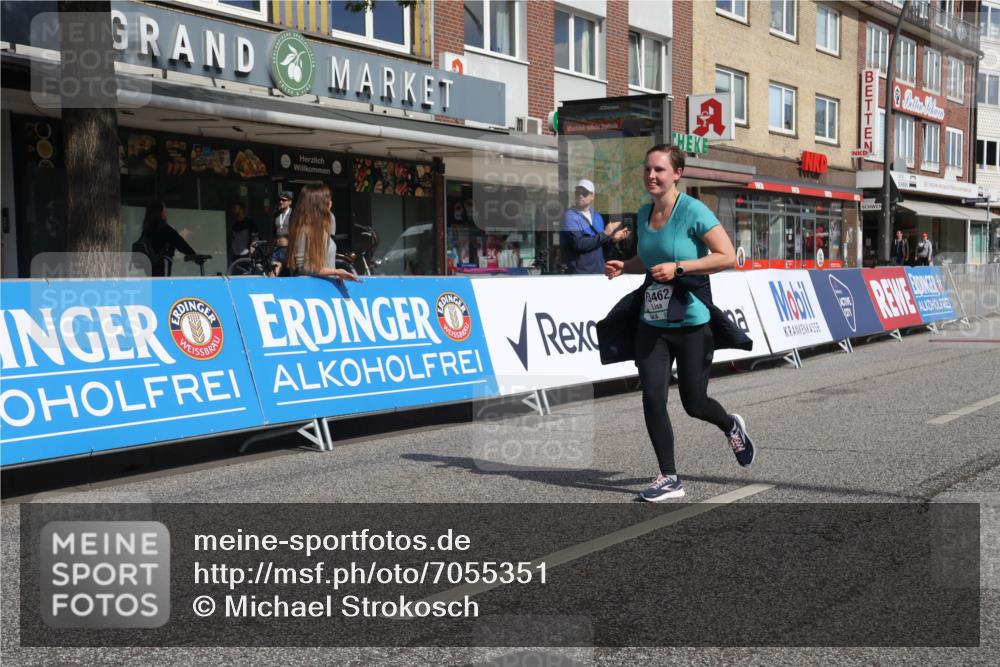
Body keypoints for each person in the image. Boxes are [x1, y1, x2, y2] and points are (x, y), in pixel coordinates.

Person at [604, 144, 756, 502]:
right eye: (647, 170)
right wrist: (626, 266)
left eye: (659, 170)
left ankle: (730, 425)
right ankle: (669, 477)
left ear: (677, 173)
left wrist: (681, 268)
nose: (651, 176)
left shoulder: (693, 211)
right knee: (652, 396)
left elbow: (727, 256)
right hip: (653, 322)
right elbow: (651, 257)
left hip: (691, 321)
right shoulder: (643, 214)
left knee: (694, 402)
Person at [286, 182, 359, 281]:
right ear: (319, 203)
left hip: (326, 290)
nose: (330, 202)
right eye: (327, 199)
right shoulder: (304, 230)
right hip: (311, 292)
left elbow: (325, 265)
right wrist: (336, 272)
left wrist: (336, 276)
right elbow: (303, 267)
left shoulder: (322, 228)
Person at [560, 178, 629, 274]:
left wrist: (613, 239)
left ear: (592, 196)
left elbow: (600, 244)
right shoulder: (570, 216)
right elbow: (579, 244)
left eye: (584, 193)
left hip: (598, 272)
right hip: (580, 274)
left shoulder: (597, 216)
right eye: (577, 193)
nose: (580, 196)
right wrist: (605, 234)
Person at [133, 201, 197, 277]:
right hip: (162, 263)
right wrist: (194, 256)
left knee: (154, 286)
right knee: (162, 285)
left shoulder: (146, 230)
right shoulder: (166, 229)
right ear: (160, 212)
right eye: (164, 209)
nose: (166, 211)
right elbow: (181, 244)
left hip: (148, 264)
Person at [272, 190, 294, 273]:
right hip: (276, 248)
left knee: (286, 274)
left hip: (287, 249)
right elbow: (274, 231)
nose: (281, 202)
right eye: (280, 200)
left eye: (284, 200)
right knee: (273, 273)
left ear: (290, 202)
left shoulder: (293, 214)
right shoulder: (277, 214)